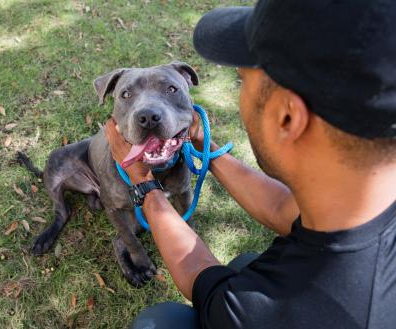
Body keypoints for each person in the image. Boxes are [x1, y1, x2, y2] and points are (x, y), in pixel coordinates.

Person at [105, 1, 396, 328]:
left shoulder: (268, 311)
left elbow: (201, 277)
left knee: (161, 320)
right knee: (246, 262)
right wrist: (208, 149)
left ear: (287, 117)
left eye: (242, 81)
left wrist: (144, 185)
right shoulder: (367, 200)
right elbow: (282, 207)